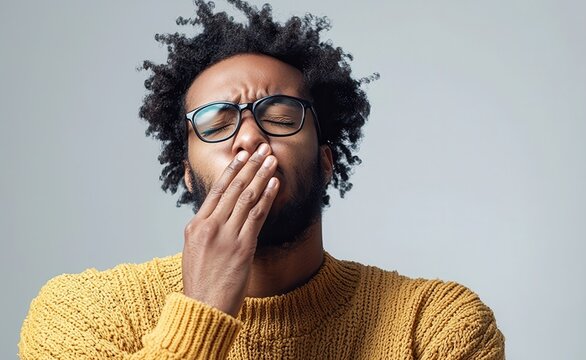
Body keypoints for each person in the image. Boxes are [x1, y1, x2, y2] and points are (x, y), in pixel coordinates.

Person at [18, 1, 504, 359]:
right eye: (215, 123)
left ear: (327, 159)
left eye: (280, 114)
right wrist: (203, 309)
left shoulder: (435, 325)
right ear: (186, 173)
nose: (249, 138)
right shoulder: (81, 312)